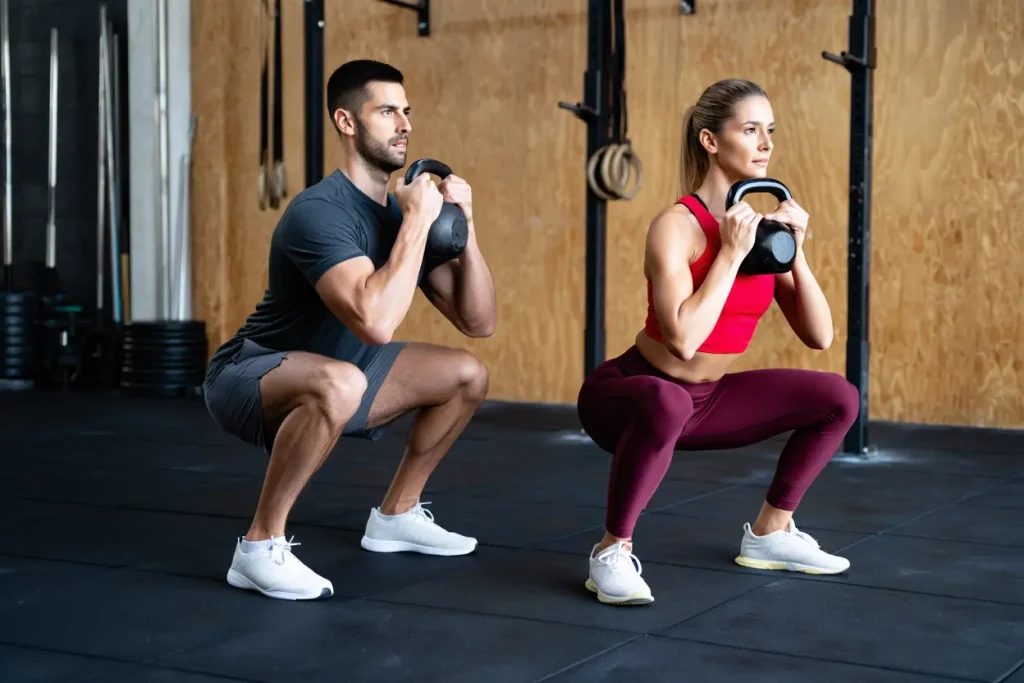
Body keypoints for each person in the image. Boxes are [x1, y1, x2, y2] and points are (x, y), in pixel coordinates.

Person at [202, 59, 496, 601]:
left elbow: (479, 322)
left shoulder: (401, 220)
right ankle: (259, 547)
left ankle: (397, 515)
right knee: (341, 383)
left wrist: (466, 226)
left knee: (466, 375)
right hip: (251, 373)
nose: (405, 124)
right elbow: (375, 322)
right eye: (387, 112)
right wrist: (416, 223)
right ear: (346, 121)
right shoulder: (319, 212)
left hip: (346, 372)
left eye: (406, 112)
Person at [576, 78, 859, 606]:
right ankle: (611, 551)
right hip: (631, 394)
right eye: (750, 130)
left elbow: (819, 336)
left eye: (770, 131)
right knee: (668, 399)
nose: (766, 144)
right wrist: (729, 254)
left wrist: (795, 250)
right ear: (710, 140)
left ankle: (771, 532)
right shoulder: (676, 226)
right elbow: (683, 341)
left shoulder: (761, 235)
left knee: (839, 397)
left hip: (706, 402)